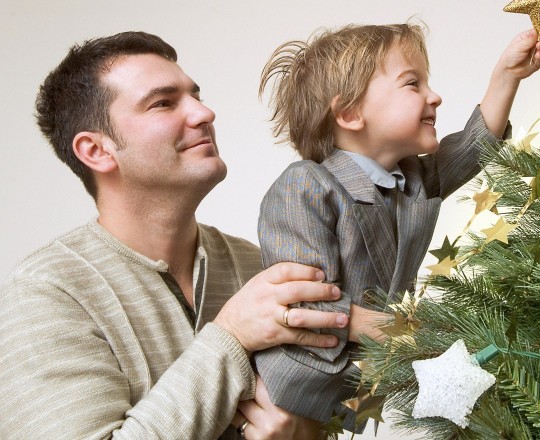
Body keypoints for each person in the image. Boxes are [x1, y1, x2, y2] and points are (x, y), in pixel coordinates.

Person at [0, 31, 358, 440]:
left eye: (195, 95)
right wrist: (232, 336)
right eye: (163, 103)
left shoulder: (258, 266)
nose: (204, 113)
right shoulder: (46, 293)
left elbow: (347, 407)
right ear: (97, 151)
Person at [253, 22, 540, 430]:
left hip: (362, 390)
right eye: (413, 84)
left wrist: (507, 74)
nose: (435, 96)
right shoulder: (305, 186)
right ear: (350, 113)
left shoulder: (410, 179)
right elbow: (300, 303)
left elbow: (473, 148)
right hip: (295, 386)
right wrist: (396, 330)